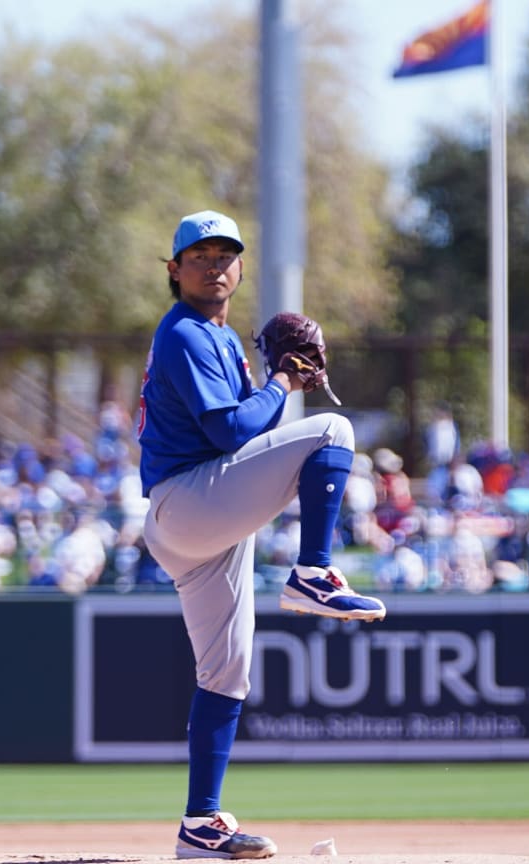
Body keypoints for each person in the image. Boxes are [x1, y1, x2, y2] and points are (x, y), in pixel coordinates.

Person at [136, 210, 384, 860]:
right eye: (200, 255)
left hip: (202, 516)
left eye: (225, 255)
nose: (214, 265)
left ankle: (200, 825)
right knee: (334, 434)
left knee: (226, 673)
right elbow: (229, 434)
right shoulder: (186, 333)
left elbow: (249, 430)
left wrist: (281, 383)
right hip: (189, 500)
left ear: (239, 268)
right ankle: (312, 575)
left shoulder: (220, 340)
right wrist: (281, 382)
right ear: (174, 270)